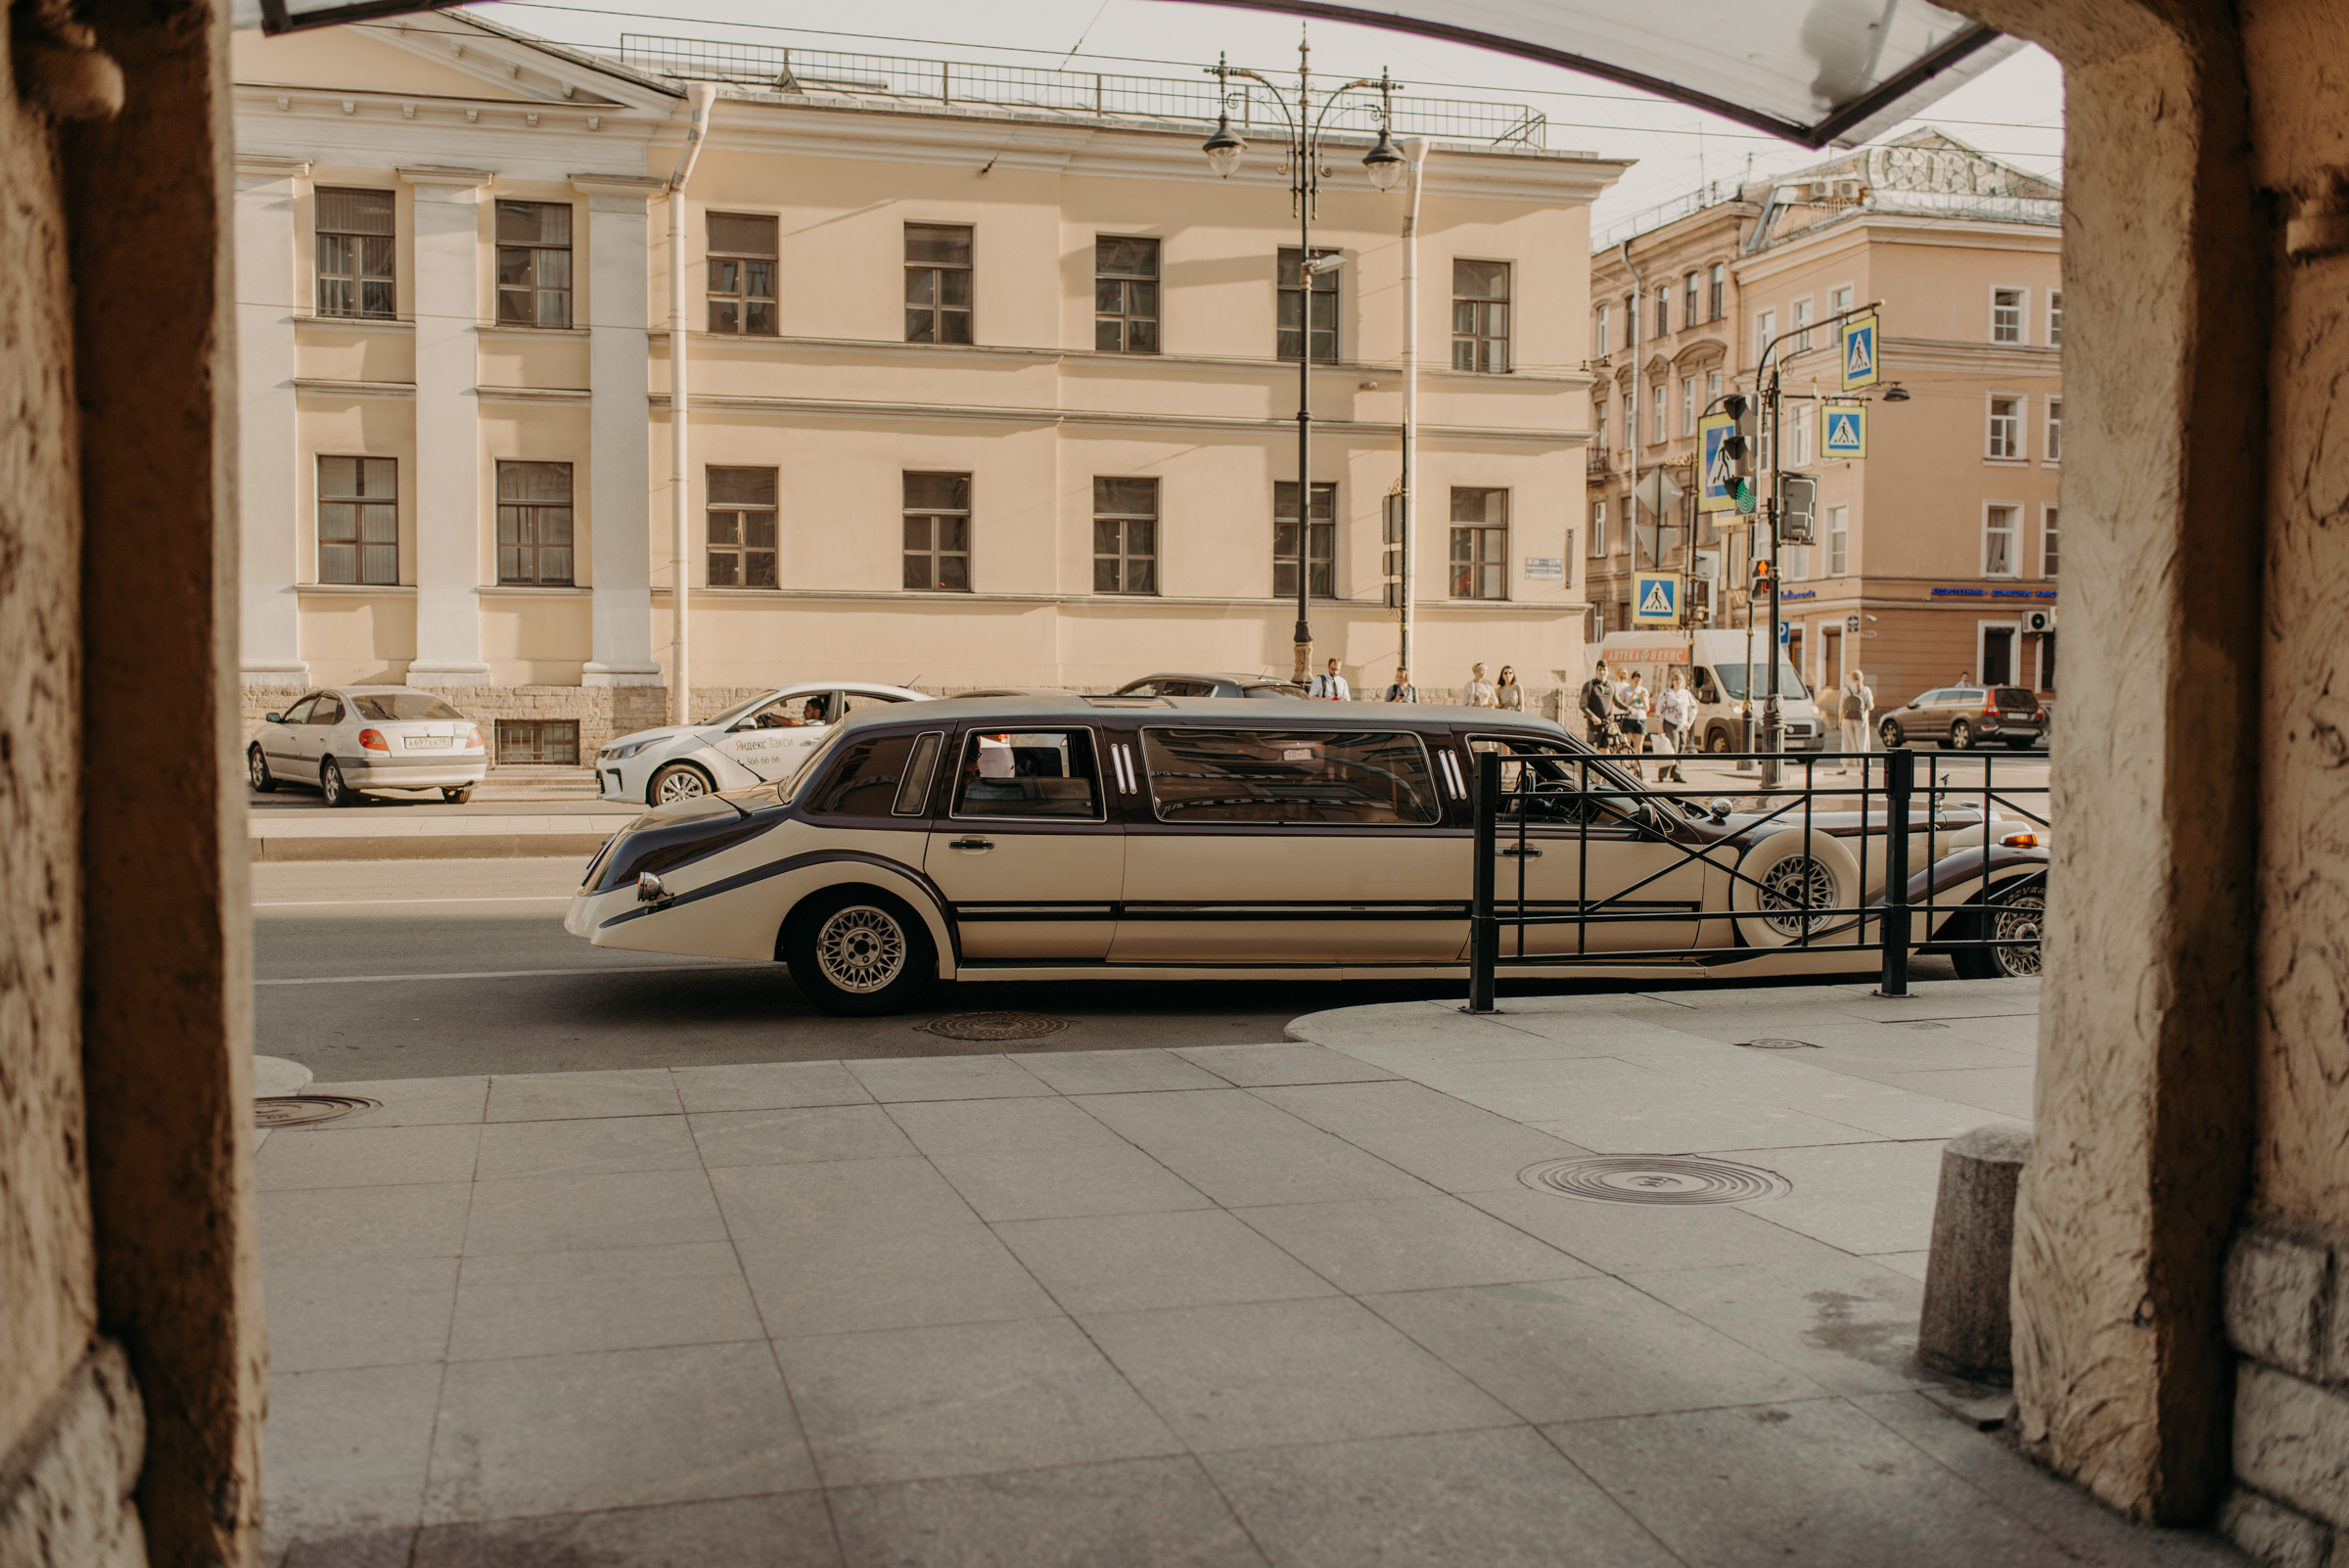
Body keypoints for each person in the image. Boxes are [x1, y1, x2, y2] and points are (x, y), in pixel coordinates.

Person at [1656, 669, 1694, 783]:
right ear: (1672, 681)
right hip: (1670, 722)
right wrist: (1660, 727)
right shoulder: (1667, 693)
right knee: (1671, 748)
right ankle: (1662, 773)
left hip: (1682, 724)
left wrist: (1689, 722)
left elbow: (1694, 707)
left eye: (1680, 680)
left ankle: (1676, 774)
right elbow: (1660, 710)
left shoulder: (1686, 694)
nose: (1678, 682)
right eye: (1676, 679)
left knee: (1680, 748)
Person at [1839, 669, 1875, 768]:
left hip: (1846, 719)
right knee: (1862, 743)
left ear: (1851, 678)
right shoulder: (1865, 690)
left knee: (1846, 742)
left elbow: (1841, 706)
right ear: (1862, 678)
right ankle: (1864, 768)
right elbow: (1870, 706)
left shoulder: (1846, 690)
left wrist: (1840, 720)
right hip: (1861, 719)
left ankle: (1844, 767)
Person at [1579, 660, 1617, 747]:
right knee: (1592, 752)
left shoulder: (1612, 686)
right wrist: (1593, 717)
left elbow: (1617, 702)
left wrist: (1629, 708)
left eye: (1604, 670)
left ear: (1608, 672)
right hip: (1593, 726)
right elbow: (1582, 705)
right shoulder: (1589, 685)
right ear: (1596, 671)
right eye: (1600, 669)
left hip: (1607, 725)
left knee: (1605, 753)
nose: (1602, 672)